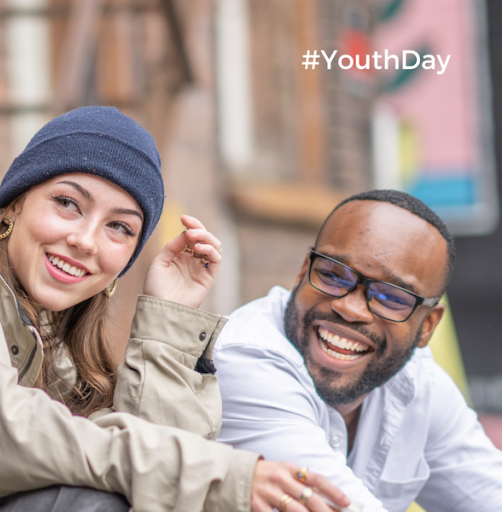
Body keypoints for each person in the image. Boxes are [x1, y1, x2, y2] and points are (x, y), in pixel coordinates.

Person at [0, 106, 349, 512]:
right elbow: (8, 436)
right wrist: (224, 476)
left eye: (120, 228)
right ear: (16, 204)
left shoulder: (51, 345)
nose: (85, 240)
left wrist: (166, 320)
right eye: (67, 202)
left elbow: (155, 496)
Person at [214, 190, 502, 512]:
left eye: (392, 297)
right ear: (302, 272)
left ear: (427, 326)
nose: (350, 308)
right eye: (333, 275)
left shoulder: (419, 383)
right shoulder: (246, 357)